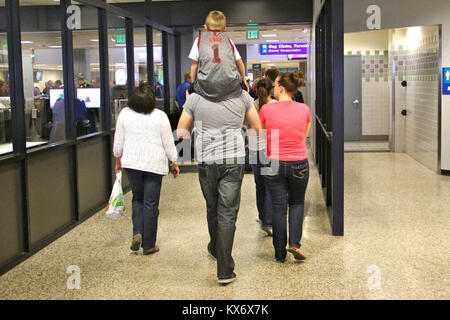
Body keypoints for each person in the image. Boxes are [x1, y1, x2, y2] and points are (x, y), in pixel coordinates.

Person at [177, 88, 261, 285]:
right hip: (233, 159)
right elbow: (256, 127)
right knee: (228, 213)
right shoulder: (242, 95)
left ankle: (215, 249)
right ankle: (224, 270)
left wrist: (199, 135)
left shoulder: (196, 97)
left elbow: (181, 131)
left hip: (207, 160)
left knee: (212, 207)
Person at [114, 82, 179, 255]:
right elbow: (168, 143)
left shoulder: (125, 114)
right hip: (154, 165)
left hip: (131, 163)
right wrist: (174, 161)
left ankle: (137, 232)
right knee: (151, 203)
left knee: (137, 198)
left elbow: (118, 143)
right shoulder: (160, 116)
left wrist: (117, 160)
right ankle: (149, 244)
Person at [259, 72, 311, 263]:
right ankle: (295, 244)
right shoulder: (304, 109)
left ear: (280, 88)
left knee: (278, 207)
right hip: (299, 162)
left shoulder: (265, 109)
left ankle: (279, 253)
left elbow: (260, 136)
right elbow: (304, 135)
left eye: (274, 86)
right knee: (297, 203)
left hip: (273, 162)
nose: (273, 88)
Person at [189, 10, 246, 101]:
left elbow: (194, 65)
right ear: (224, 29)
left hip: (207, 86)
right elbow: (239, 62)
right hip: (230, 86)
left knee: (190, 92)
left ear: (206, 27)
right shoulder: (228, 40)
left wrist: (192, 85)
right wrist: (243, 80)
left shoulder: (199, 40)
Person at [249, 78, 276, 236]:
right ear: (271, 89)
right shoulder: (275, 105)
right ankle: (268, 221)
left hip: (254, 148)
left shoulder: (251, 104)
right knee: (269, 186)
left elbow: (247, 125)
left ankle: (261, 216)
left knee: (259, 185)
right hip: (269, 149)